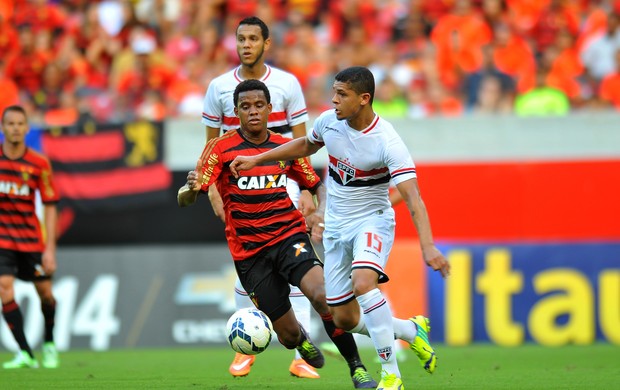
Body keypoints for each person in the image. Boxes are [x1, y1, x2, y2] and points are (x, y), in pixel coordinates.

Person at [230, 67, 451, 390]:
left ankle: (391, 375)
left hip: (371, 220)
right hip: (336, 227)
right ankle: (408, 331)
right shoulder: (329, 122)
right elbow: (305, 145)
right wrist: (259, 159)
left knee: (363, 283)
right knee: (345, 318)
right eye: (334, 92)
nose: (333, 100)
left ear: (364, 99)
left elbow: (413, 198)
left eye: (341, 94)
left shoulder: (386, 141)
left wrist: (428, 246)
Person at [180, 79, 377, 388]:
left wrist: (320, 212)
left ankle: (357, 367)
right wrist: (190, 190)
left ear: (270, 109)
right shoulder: (219, 148)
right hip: (250, 255)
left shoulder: (284, 148)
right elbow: (189, 195)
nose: (253, 112)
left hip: (289, 238)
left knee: (324, 298)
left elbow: (316, 185)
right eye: (246, 107)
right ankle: (300, 341)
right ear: (237, 111)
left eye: (260, 105)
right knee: (286, 335)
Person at [201, 16, 347, 381]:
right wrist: (213, 191)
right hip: (236, 179)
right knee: (249, 259)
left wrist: (308, 195)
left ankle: (300, 352)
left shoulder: (286, 83)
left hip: (283, 171)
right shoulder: (218, 86)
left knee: (301, 266)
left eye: (253, 38)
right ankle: (251, 350)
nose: (246, 44)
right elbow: (210, 145)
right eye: (241, 38)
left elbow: (303, 140)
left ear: (267, 43)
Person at [0, 105, 60, 369]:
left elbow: (49, 204)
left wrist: (49, 250)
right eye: (9, 123)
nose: (14, 128)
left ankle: (48, 342)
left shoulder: (39, 163)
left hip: (31, 240)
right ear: (3, 128)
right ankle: (25, 352)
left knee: (46, 295)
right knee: (4, 287)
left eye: (19, 123)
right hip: (2, 240)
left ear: (26, 128)